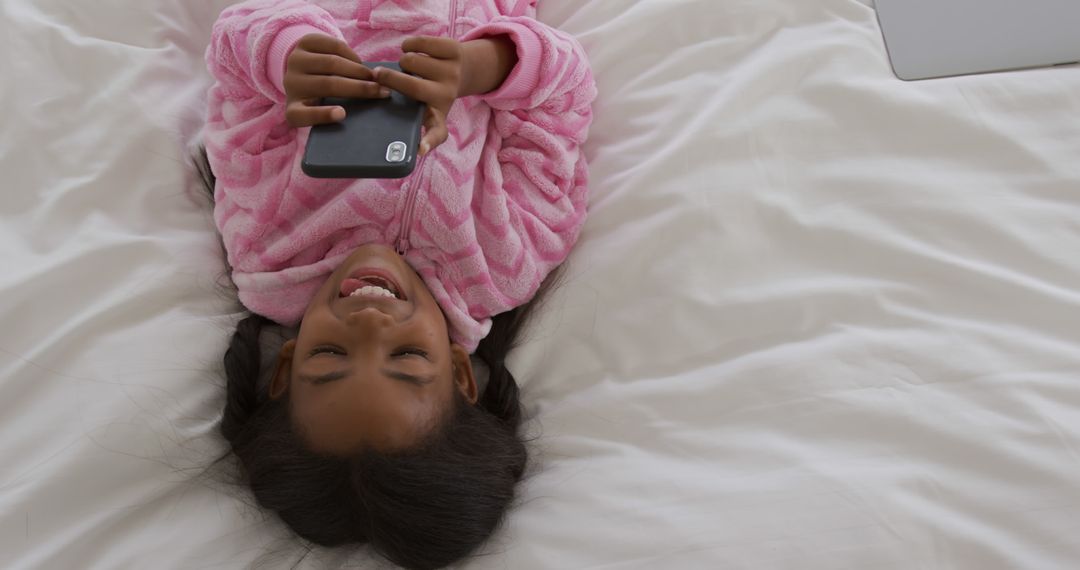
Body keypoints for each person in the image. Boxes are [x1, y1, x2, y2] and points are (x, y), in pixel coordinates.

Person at [200, 0, 595, 568]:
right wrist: (479, 67)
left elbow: (233, 52)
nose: (367, 322)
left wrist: (282, 56)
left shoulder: (267, 250)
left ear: (285, 366)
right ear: (462, 375)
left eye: (330, 353)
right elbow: (565, 95)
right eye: (407, 356)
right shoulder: (505, 264)